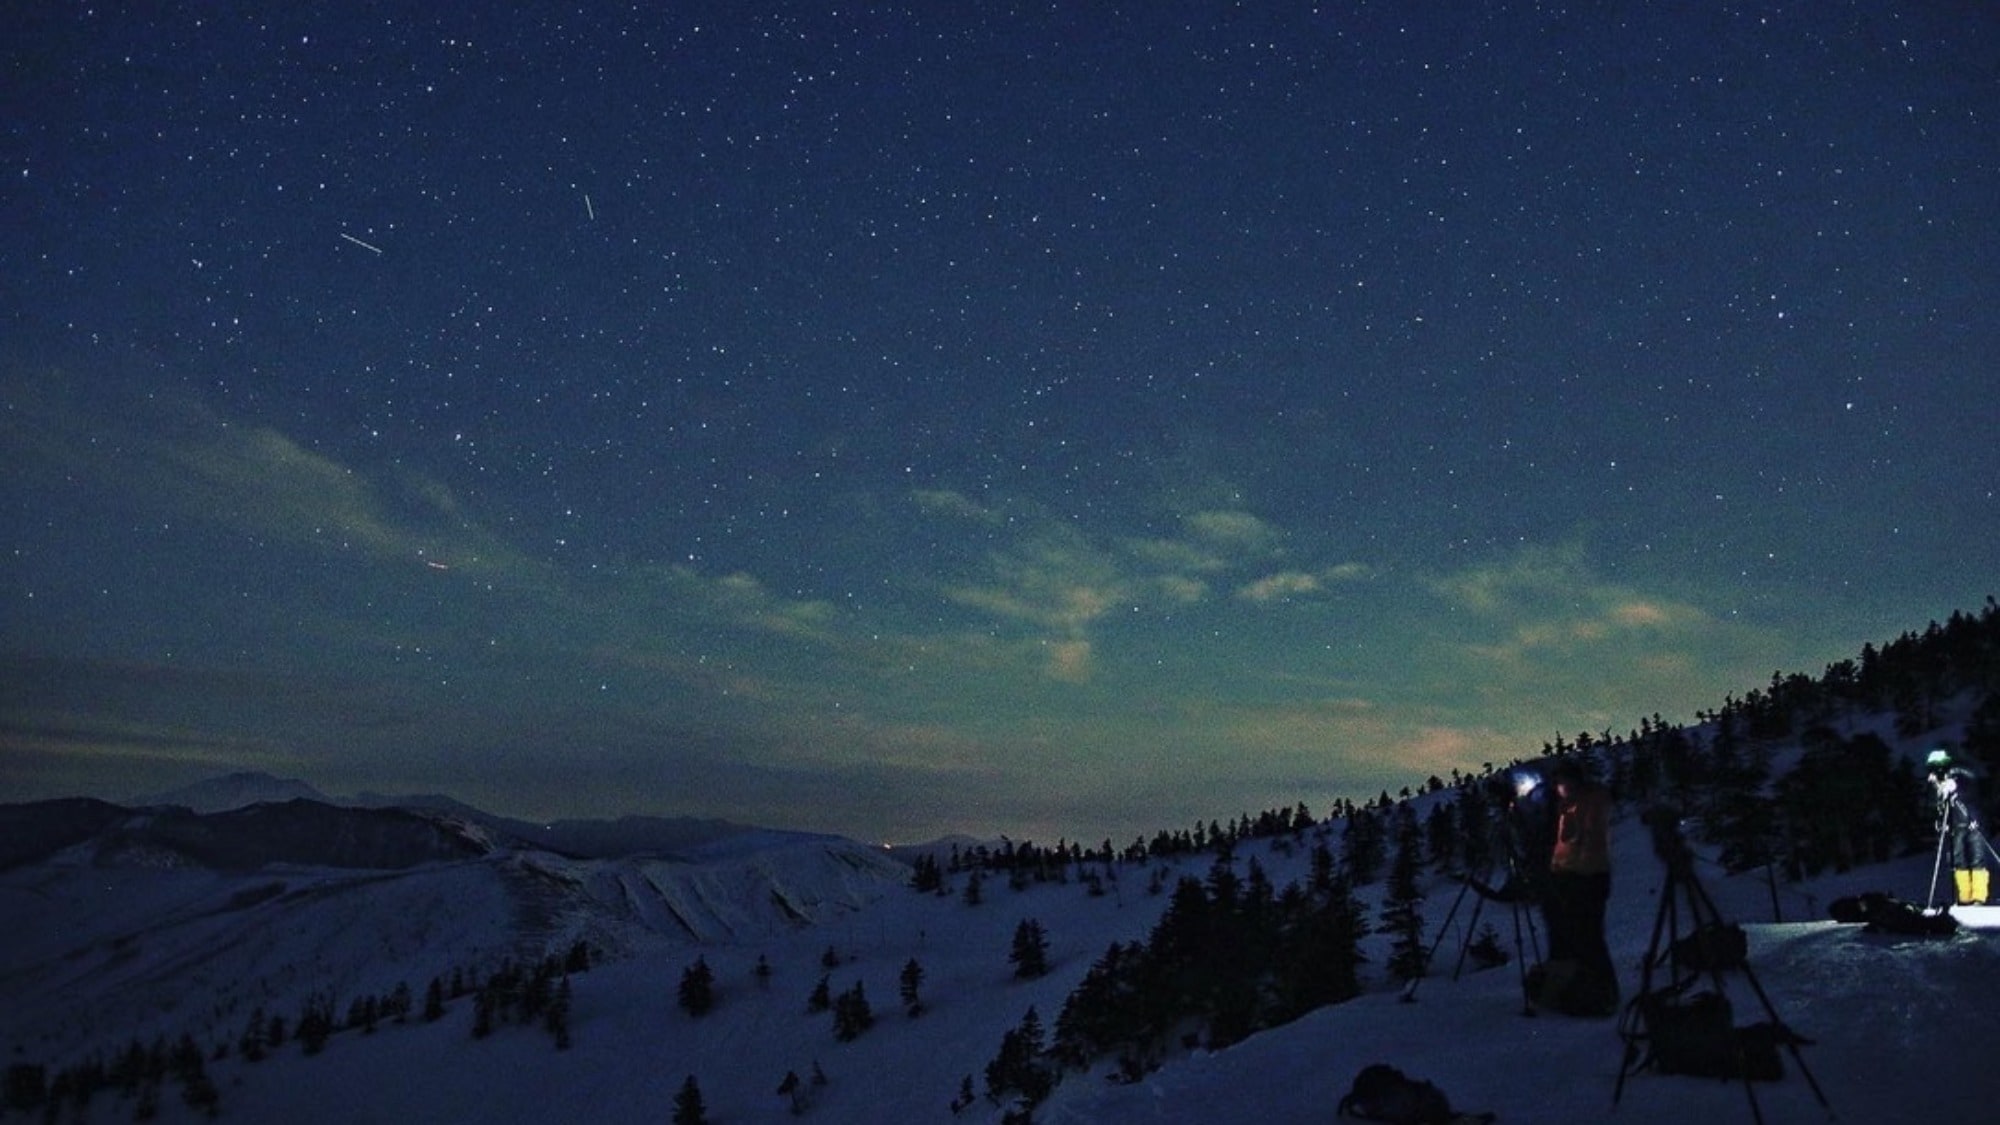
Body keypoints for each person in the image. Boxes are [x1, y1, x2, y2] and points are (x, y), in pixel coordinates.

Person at [1541, 758, 1618, 1015]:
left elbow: (1580, 838)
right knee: (1579, 936)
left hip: (1588, 879)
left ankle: (1604, 993)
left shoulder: (1590, 801)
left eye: (1561, 782)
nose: (1558, 788)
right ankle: (1587, 989)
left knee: (1590, 937)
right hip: (1573, 878)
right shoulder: (1569, 804)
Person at [1929, 747, 1989, 906]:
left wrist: (1956, 787)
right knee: (1958, 862)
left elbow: (1971, 787)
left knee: (1977, 859)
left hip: (1971, 822)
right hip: (1954, 826)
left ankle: (1979, 896)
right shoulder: (1935, 783)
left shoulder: (1959, 772)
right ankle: (1964, 897)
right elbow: (1937, 806)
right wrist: (1940, 823)